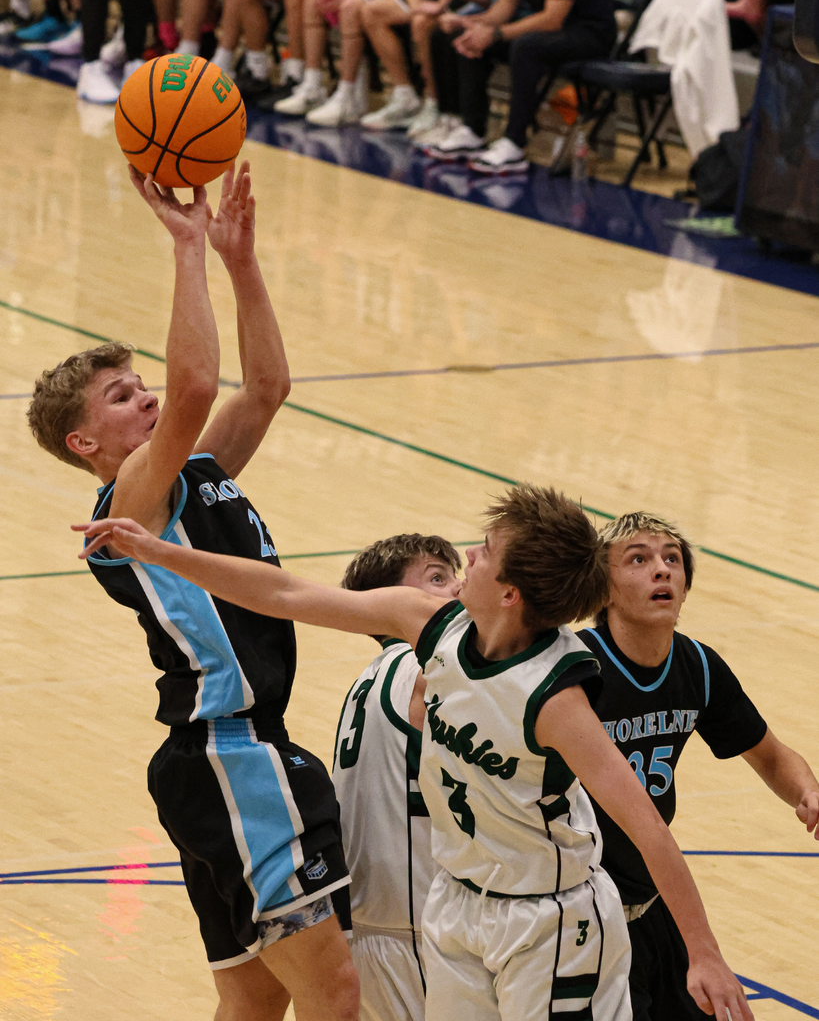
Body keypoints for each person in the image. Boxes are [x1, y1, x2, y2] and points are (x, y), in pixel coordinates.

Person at [76, 484, 755, 1021]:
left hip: (549, 918)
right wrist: (162, 553)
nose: (470, 558)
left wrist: (704, 954)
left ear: (510, 593)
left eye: (484, 552)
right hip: (457, 905)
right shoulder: (427, 624)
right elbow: (283, 593)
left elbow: (646, 828)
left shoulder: (554, 698)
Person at [28, 162, 359, 1021]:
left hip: (221, 759)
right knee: (339, 998)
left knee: (251, 1006)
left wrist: (239, 262)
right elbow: (199, 388)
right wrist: (185, 248)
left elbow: (267, 388)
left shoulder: (196, 475)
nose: (145, 400)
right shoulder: (127, 506)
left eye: (141, 388)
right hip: (228, 755)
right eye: (122, 397)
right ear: (83, 441)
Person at [577, 511, 819, 1021]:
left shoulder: (699, 666)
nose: (661, 570)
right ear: (603, 591)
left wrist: (807, 792)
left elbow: (771, 754)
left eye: (672, 559)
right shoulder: (574, 668)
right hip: (581, 910)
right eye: (638, 560)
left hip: (651, 896)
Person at [334, 534, 462, 1021]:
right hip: (413, 930)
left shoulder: (370, 675)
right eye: (436, 578)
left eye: (453, 575)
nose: (456, 589)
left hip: (375, 925)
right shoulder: (422, 666)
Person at [424, 0, 616, 172]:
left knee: (525, 47)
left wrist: (495, 34)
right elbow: (505, 6)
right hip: (553, 30)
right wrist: (472, 24)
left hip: (589, 34)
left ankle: (514, 142)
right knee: (468, 36)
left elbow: (552, 19)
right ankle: (472, 129)